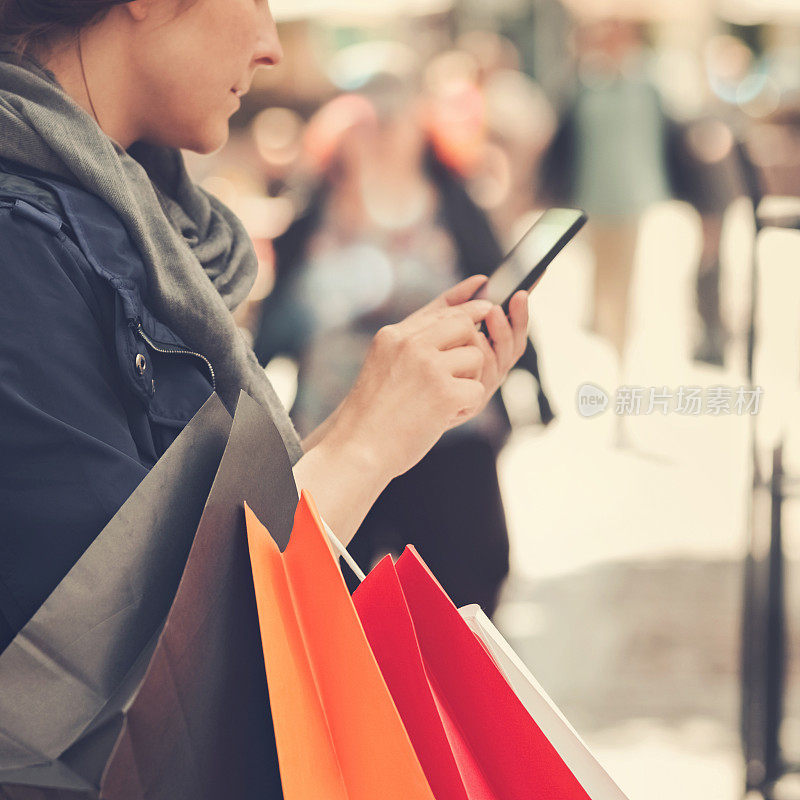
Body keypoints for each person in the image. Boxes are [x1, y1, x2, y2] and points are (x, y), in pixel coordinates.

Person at [0, 0, 531, 652]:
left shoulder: (139, 218)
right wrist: (363, 442)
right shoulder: (21, 241)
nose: (271, 46)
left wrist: (381, 415)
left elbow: (206, 529)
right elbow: (136, 652)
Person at [254, 73, 546, 613]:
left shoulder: (453, 202)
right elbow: (274, 330)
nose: (384, 127)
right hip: (338, 426)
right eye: (370, 114)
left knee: (462, 598)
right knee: (336, 608)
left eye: (397, 111)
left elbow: (498, 286)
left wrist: (534, 379)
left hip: (448, 435)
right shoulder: (315, 210)